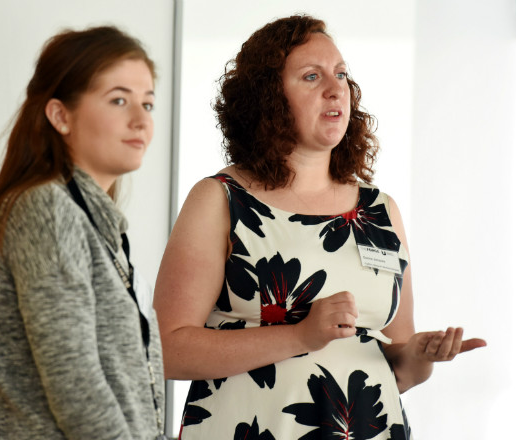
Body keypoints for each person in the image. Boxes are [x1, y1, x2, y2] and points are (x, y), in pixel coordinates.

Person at [153, 15, 486, 439]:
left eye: (342, 74)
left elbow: (398, 370)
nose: (335, 89)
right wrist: (300, 336)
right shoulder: (220, 199)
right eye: (311, 76)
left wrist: (420, 356)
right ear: (267, 98)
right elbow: (166, 349)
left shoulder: (380, 210)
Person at [0, 26, 166, 440]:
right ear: (60, 115)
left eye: (148, 104)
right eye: (119, 100)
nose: (141, 120)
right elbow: (76, 387)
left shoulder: (89, 218)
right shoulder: (47, 210)